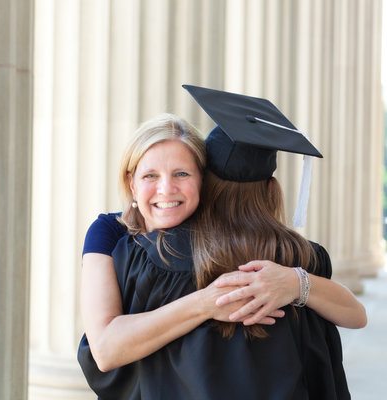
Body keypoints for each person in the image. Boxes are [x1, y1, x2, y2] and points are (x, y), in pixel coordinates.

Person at [77, 87, 366, 399]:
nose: (166, 189)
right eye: (150, 176)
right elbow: (106, 350)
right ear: (130, 182)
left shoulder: (140, 259)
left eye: (181, 173)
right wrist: (206, 301)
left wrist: (296, 283)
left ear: (204, 182)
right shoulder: (299, 255)